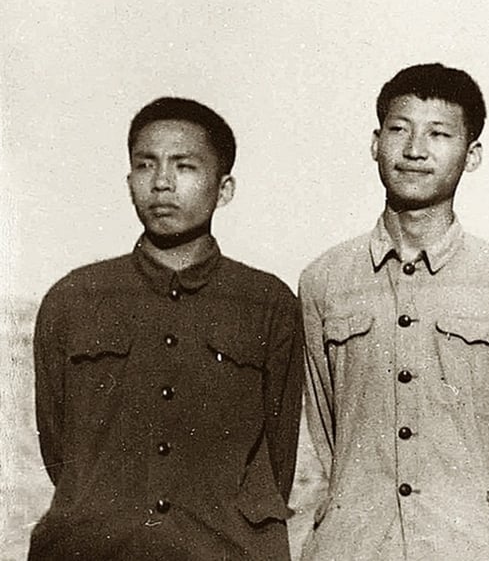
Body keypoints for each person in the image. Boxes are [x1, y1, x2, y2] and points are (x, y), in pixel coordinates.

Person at [31, 97, 304, 559]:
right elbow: (59, 450)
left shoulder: (268, 304)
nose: (161, 183)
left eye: (185, 166)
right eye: (145, 165)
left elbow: (279, 458)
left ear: (225, 188)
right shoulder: (74, 299)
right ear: (129, 181)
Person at [299, 63, 489, 560]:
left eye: (438, 134)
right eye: (399, 130)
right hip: (353, 548)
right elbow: (313, 441)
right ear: (375, 143)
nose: (414, 150)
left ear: (471, 154)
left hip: (474, 548)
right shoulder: (324, 281)